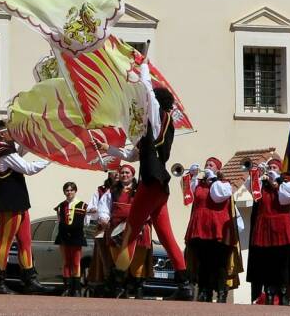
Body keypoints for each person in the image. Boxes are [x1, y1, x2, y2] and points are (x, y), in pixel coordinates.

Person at [106, 61, 191, 300]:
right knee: (165, 236)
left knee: (131, 231)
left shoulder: (158, 118)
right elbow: (132, 155)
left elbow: (148, 94)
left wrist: (143, 67)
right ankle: (185, 285)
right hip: (160, 186)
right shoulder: (152, 130)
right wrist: (108, 149)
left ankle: (118, 282)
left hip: (151, 183)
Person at [0, 119, 49, 295]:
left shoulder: (8, 149)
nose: (15, 133)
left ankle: (30, 280)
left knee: (25, 241)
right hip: (10, 203)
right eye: (11, 131)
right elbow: (28, 168)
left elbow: (21, 151)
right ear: (2, 133)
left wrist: (32, 138)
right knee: (5, 242)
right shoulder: (3, 151)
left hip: (20, 201)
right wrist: (50, 160)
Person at [247, 158, 290, 305]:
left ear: (279, 170)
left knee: (282, 262)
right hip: (264, 226)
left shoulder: (286, 182)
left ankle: (283, 292)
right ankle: (269, 292)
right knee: (266, 261)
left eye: (274, 167)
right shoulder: (262, 185)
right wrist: (257, 173)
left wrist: (277, 181)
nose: (271, 169)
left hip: (281, 227)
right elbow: (250, 188)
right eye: (269, 167)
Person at [184, 157, 241, 303]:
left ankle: (221, 291)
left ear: (218, 170)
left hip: (218, 226)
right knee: (203, 261)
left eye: (211, 165)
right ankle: (204, 291)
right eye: (206, 164)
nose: (208, 166)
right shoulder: (199, 184)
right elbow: (189, 194)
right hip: (200, 226)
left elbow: (217, 197)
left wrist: (213, 179)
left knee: (219, 262)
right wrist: (193, 175)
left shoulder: (224, 184)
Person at [96, 163, 152, 297]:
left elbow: (149, 208)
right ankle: (122, 289)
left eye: (127, 173)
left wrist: (141, 219)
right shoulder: (112, 191)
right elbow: (104, 207)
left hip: (138, 230)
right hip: (116, 230)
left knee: (137, 262)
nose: (124, 175)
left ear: (133, 176)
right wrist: (103, 218)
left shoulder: (141, 191)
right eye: (122, 173)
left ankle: (138, 289)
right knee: (119, 261)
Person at [54, 182, 88, 296]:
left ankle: (76, 288)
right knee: (66, 262)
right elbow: (59, 220)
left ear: (75, 191)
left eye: (71, 190)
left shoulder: (83, 205)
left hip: (76, 236)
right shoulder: (60, 205)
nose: (69, 192)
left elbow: (85, 222)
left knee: (76, 262)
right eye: (67, 190)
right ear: (64, 192)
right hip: (63, 236)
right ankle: (67, 287)